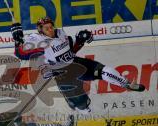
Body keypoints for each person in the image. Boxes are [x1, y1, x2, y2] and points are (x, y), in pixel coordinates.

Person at [11, 17, 145, 113]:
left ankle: (126, 84)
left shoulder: (61, 33)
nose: (50, 29)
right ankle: (76, 104)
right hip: (62, 72)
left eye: (51, 26)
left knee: (105, 71)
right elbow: (21, 54)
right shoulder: (37, 40)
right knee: (84, 107)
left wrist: (81, 40)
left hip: (76, 63)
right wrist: (17, 40)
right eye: (47, 28)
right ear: (40, 30)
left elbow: (71, 50)